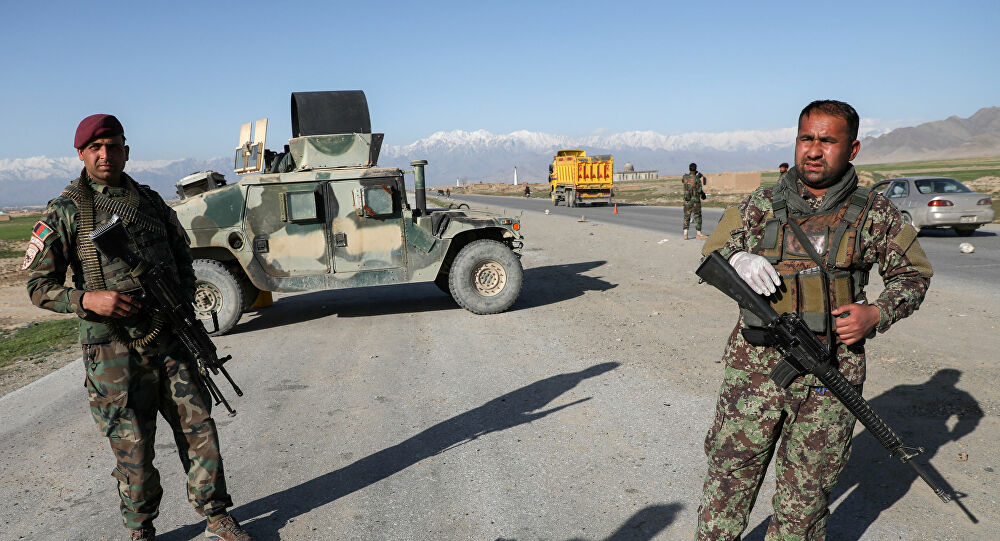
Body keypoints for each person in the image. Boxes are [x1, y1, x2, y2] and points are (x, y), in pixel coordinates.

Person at [695, 100, 933, 540]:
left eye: (828, 140)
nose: (814, 150)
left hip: (831, 371)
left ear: (853, 148)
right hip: (755, 369)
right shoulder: (761, 205)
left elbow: (913, 274)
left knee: (804, 501)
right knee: (727, 484)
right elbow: (713, 251)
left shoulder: (874, 213)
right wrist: (740, 257)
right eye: (807, 138)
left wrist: (876, 313)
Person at [24, 114, 252, 541]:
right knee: (133, 446)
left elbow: (182, 256)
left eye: (113, 146)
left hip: (170, 336)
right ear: (81, 154)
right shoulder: (66, 210)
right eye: (96, 148)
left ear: (126, 150)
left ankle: (216, 513)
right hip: (112, 350)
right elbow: (38, 285)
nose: (105, 155)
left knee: (198, 427)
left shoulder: (149, 203)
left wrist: (182, 302)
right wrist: (87, 299)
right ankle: (140, 527)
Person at [682, 162, 708, 240]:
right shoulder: (696, 179)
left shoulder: (685, 177)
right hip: (695, 201)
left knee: (686, 216)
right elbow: (699, 189)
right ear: (695, 169)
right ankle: (698, 234)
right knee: (697, 216)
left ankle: (685, 234)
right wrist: (703, 195)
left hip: (687, 201)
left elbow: (686, 181)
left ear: (689, 169)